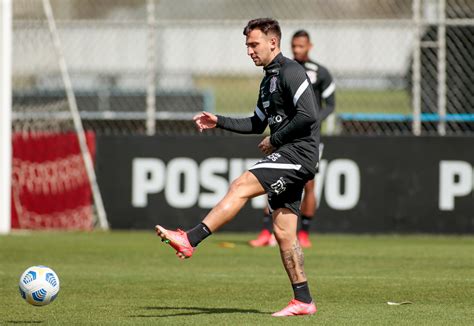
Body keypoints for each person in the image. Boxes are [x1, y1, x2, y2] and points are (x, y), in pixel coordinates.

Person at [155, 18, 320, 317]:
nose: (249, 51)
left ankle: (190, 239)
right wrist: (219, 120)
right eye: (246, 45)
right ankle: (304, 300)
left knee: (241, 184)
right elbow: (257, 123)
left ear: (273, 42)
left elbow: (309, 114)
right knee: (284, 233)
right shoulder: (268, 80)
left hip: (298, 153)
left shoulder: (292, 71)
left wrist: (276, 138)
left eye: (254, 44)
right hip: (289, 153)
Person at [249, 29, 336, 249]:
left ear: (309, 46)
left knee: (309, 184)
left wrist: (315, 122)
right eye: (294, 46)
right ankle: (266, 231)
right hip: (284, 136)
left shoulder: (320, 73)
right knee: (270, 181)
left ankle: (304, 232)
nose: (297, 50)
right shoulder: (286, 70)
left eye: (301, 46)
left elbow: (330, 105)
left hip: (307, 138)